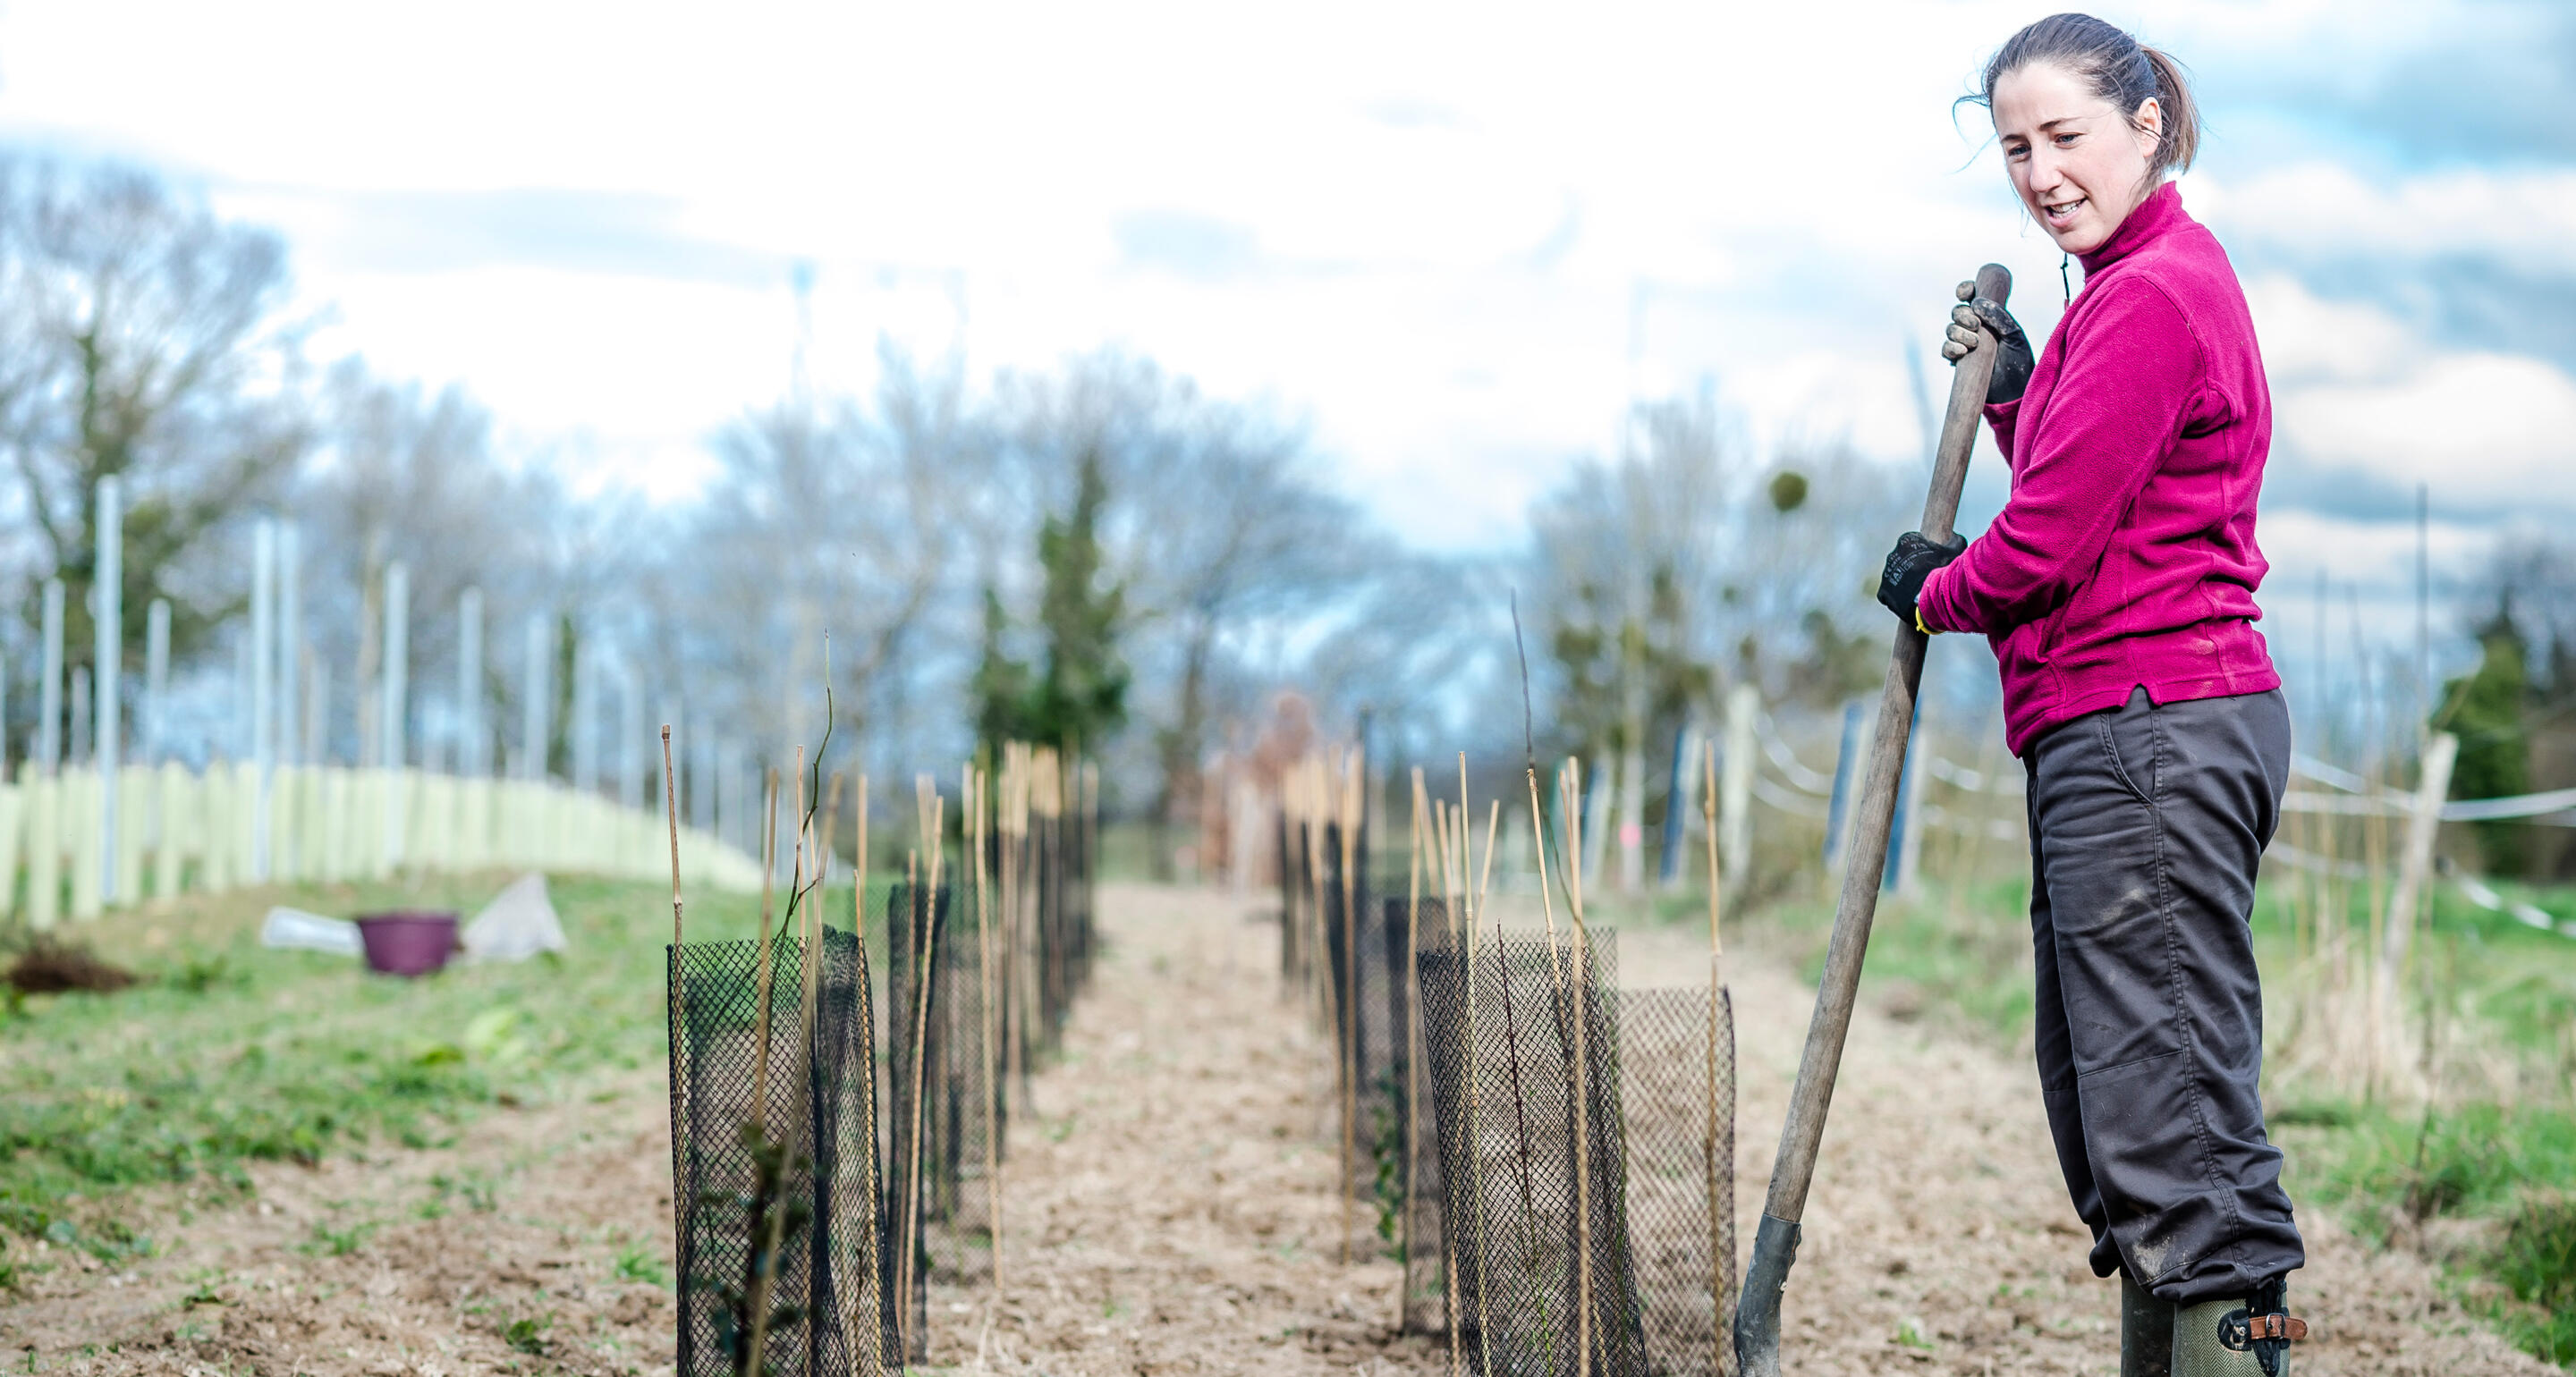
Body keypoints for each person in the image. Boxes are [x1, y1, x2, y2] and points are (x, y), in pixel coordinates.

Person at [1872, 14, 2308, 1376]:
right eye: (2015, 150)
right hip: (2118, 734)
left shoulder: (2154, 291)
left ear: (2147, 127)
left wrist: (1933, 590)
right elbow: (2090, 472)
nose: (2042, 172)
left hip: (2152, 733)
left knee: (2179, 1128)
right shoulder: (2116, 292)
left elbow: (2046, 545)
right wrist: (2010, 392)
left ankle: (2247, 1353)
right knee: (2126, 1117)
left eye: (2066, 136)